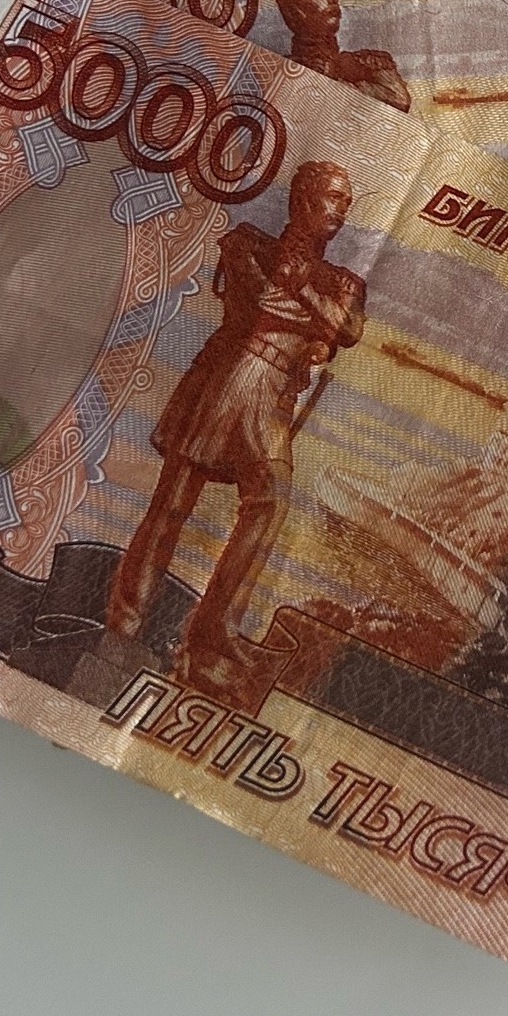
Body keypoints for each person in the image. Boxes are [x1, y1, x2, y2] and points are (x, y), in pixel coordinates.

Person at [106, 161, 367, 680]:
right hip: (229, 377)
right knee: (174, 500)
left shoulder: (344, 281)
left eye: (347, 202)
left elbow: (349, 330)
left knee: (269, 500)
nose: (341, 210)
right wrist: (312, 320)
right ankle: (124, 623)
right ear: (302, 201)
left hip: (274, 395)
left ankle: (212, 635)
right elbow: (258, 309)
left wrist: (303, 291)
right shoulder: (247, 242)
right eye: (333, 198)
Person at [275, 0, 411, 111]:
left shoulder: (367, 63)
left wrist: (334, 79)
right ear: (292, 11)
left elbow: (400, 101)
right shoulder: (275, 69)